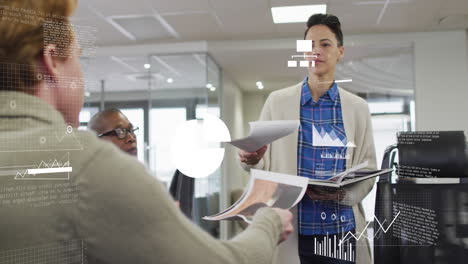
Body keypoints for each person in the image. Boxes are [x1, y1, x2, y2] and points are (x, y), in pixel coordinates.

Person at [0, 0, 294, 263]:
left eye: (130, 130)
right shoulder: (90, 167)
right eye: (76, 57)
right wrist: (268, 221)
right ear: (52, 61)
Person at [239, 14, 377, 264]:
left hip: (340, 232)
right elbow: (260, 164)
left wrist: (343, 196)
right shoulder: (277, 102)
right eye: (309, 46)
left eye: (325, 44)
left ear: (340, 51)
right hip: (293, 229)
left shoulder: (357, 108)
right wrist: (252, 158)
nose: (316, 51)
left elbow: (368, 170)